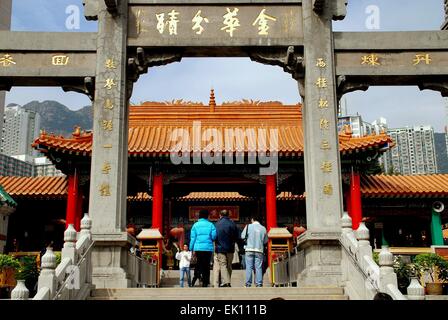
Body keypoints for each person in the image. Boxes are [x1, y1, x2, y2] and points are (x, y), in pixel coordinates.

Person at [189, 209, 217, 287]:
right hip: (208, 248)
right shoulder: (211, 225)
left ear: (199, 216)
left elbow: (193, 238)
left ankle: (195, 278)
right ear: (207, 216)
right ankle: (205, 282)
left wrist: (191, 248)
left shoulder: (195, 225)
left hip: (198, 248)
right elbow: (214, 236)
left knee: (199, 264)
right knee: (206, 265)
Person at [213, 209, 239, 287]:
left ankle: (226, 282)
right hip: (230, 248)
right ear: (228, 215)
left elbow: (214, 237)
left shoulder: (216, 224)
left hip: (220, 248)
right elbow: (237, 236)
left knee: (223, 265)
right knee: (229, 265)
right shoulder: (233, 224)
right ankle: (227, 281)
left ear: (220, 215)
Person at [241, 215, 268, 287]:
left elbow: (242, 236)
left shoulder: (248, 226)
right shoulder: (263, 228)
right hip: (259, 250)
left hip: (249, 249)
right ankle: (259, 283)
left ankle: (248, 283)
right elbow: (265, 241)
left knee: (249, 266)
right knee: (258, 267)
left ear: (252, 219)